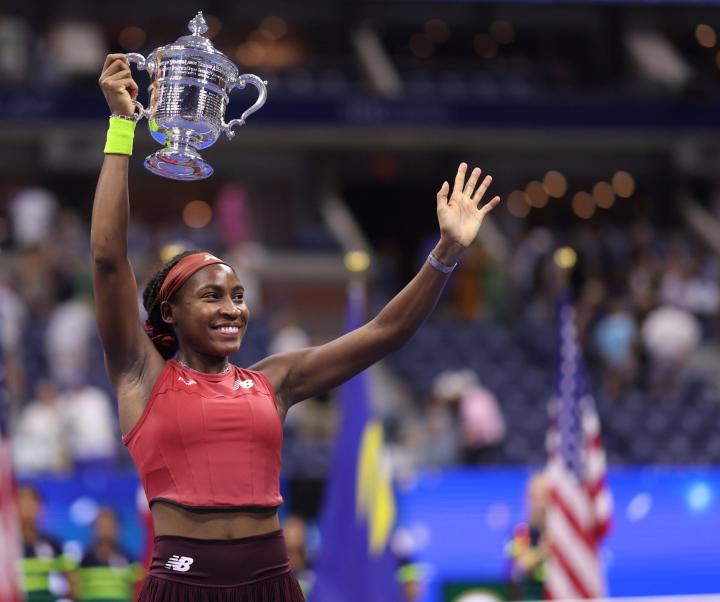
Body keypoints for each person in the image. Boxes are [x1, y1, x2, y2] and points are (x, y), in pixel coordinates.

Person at [91, 53, 500, 601]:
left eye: (238, 297)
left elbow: (385, 333)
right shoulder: (141, 375)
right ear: (170, 312)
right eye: (211, 297)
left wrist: (445, 253)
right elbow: (108, 259)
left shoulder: (273, 380)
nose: (232, 309)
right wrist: (122, 125)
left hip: (273, 585)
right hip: (180, 585)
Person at [17, 485, 78, 602]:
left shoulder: (54, 544)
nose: (27, 505)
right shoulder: (4, 547)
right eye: (22, 500)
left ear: (41, 507)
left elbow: (73, 584)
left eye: (33, 500)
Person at [78, 507, 140, 602]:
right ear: (94, 529)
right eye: (101, 526)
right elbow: (77, 591)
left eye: (109, 525)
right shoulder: (84, 560)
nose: (105, 530)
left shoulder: (129, 559)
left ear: (117, 528)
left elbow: (138, 590)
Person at [505, 471, 549, 600]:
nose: (540, 502)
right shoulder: (521, 532)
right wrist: (544, 551)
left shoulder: (564, 533)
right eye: (535, 495)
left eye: (545, 495)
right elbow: (519, 567)